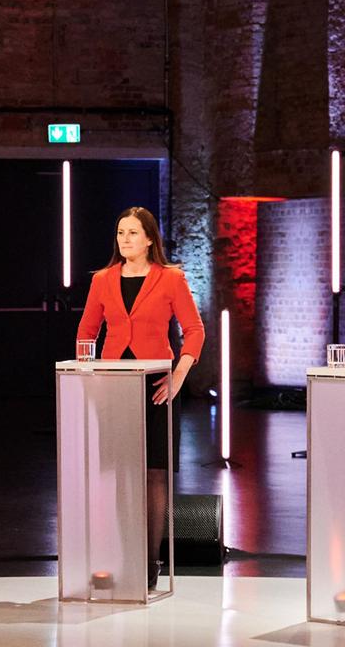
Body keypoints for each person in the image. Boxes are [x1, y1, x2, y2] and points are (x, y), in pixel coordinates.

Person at [75, 206, 204, 587]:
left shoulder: (170, 278)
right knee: (119, 473)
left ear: (150, 239)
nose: (125, 240)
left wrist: (179, 375)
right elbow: (87, 331)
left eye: (132, 233)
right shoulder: (102, 280)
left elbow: (194, 330)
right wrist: (89, 373)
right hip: (115, 385)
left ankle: (150, 561)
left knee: (153, 473)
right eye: (120, 233)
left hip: (158, 388)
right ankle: (123, 555)